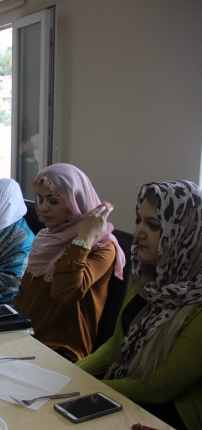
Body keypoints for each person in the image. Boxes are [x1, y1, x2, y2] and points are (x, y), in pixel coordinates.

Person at [77, 180, 202, 430]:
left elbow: (157, 388)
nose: (138, 233)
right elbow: (117, 343)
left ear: (185, 235)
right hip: (124, 393)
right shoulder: (147, 278)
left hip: (166, 415)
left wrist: (80, 387)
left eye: (153, 225)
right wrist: (72, 373)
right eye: (140, 221)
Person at [11, 163, 125, 361]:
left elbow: (64, 291)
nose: (44, 207)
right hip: (26, 338)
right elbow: (24, 295)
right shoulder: (46, 238)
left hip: (61, 350)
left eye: (54, 201)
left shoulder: (103, 248)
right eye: (41, 199)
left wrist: (84, 238)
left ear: (75, 200)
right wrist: (2, 326)